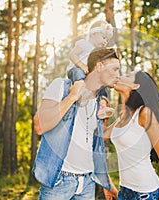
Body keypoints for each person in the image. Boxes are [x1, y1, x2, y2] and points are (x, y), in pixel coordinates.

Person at [33, 47, 119, 200]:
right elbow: (39, 126)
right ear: (99, 66)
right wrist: (72, 96)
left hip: (87, 183)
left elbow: (93, 147)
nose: (118, 75)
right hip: (58, 182)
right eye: (115, 69)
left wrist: (107, 183)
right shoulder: (61, 86)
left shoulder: (101, 103)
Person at [104, 71, 159, 200]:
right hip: (124, 190)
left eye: (127, 76)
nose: (120, 76)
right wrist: (106, 117)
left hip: (146, 193)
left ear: (136, 86)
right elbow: (101, 135)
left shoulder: (144, 114)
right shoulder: (122, 118)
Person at [67, 20, 115, 119]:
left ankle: (102, 106)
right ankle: (81, 93)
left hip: (88, 75)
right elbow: (72, 55)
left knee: (102, 83)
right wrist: (82, 65)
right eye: (103, 37)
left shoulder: (98, 52)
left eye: (107, 40)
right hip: (76, 70)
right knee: (79, 72)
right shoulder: (84, 44)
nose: (105, 41)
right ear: (94, 34)